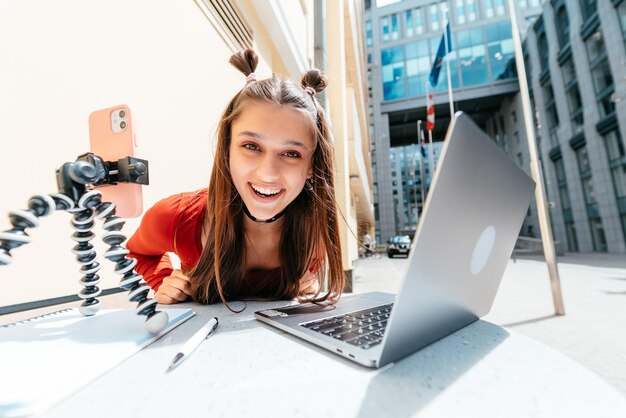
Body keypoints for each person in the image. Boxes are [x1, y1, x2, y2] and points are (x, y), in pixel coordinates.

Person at [126, 49, 344, 308]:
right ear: (227, 148)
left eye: (291, 153)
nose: (267, 173)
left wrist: (307, 287)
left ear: (312, 166)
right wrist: (162, 281)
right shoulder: (178, 217)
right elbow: (137, 252)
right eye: (251, 146)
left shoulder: (315, 231)